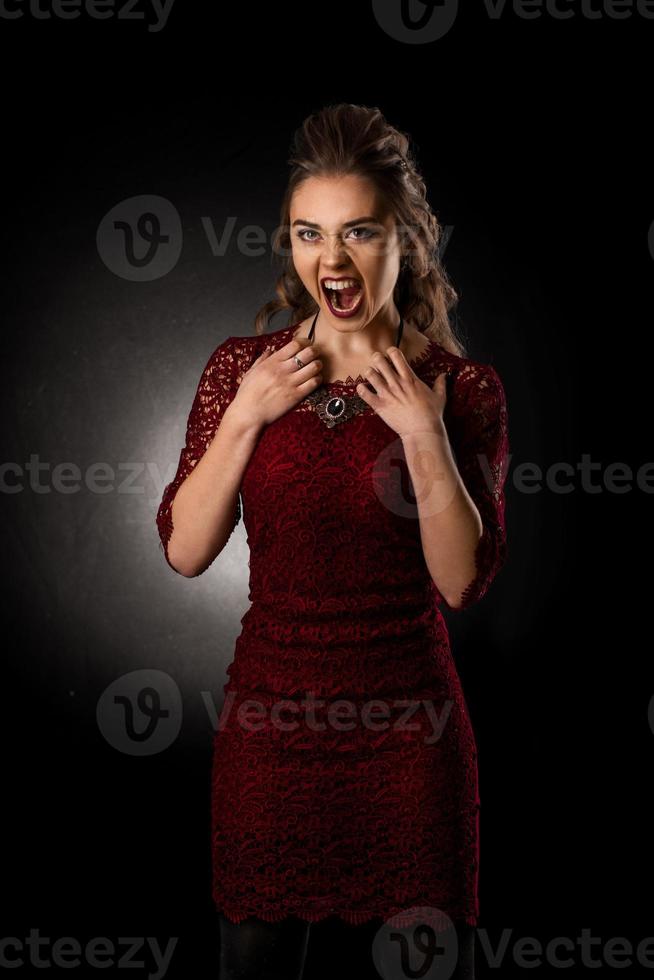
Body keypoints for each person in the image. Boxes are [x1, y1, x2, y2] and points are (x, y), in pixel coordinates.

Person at [155, 103, 509, 980]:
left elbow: (463, 584)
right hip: (269, 733)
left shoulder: (461, 388)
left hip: (409, 740)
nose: (332, 259)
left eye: (358, 232)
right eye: (309, 233)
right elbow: (186, 550)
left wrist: (424, 436)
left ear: (406, 240)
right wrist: (246, 415)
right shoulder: (243, 370)